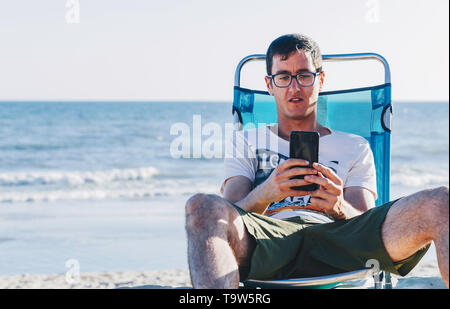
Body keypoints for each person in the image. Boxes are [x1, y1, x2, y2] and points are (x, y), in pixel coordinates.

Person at [185, 34, 449, 289]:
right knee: (201, 206)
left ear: (320, 80)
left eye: (304, 76)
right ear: (269, 85)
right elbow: (228, 214)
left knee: (441, 201)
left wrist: (339, 207)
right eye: (284, 77)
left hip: (338, 242)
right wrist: (266, 193)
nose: (294, 87)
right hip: (267, 241)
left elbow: (366, 223)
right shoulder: (246, 141)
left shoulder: (355, 146)